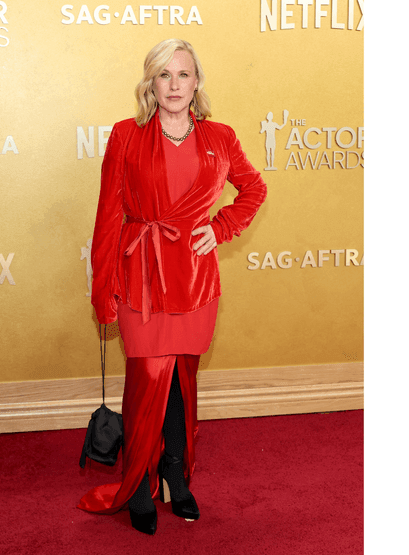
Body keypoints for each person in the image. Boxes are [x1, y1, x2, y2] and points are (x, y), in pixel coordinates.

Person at [77, 38, 267, 535]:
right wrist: (104, 287)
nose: (175, 85)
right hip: (140, 275)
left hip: (195, 279)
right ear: (151, 83)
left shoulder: (220, 137)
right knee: (145, 381)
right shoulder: (125, 135)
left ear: (197, 81)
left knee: (182, 382)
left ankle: (175, 474)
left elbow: (254, 189)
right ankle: (137, 480)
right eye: (164, 75)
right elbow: (107, 218)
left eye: (183, 74)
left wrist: (221, 227)